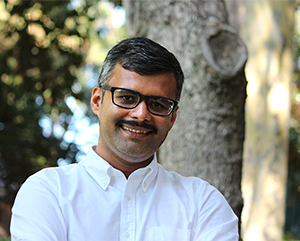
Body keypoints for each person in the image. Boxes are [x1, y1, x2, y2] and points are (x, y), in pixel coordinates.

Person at [10, 37, 239, 240]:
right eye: (127, 97)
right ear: (98, 101)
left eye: (158, 104)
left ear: (173, 117)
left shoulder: (202, 203)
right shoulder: (49, 193)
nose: (141, 114)